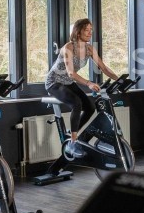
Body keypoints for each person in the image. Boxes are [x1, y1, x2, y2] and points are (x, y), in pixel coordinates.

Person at [44, 18, 119, 159]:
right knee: (76, 103)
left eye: (91, 29)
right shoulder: (68, 48)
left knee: (90, 108)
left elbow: (103, 67)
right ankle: (73, 142)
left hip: (68, 82)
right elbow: (71, 73)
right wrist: (89, 83)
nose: (90, 32)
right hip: (54, 82)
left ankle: (72, 133)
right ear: (78, 32)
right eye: (87, 30)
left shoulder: (90, 49)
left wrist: (119, 79)